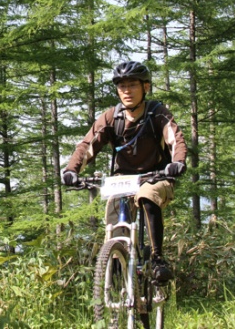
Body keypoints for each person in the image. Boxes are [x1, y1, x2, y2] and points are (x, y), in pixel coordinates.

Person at [61, 60, 186, 283]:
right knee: (113, 226)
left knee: (147, 196)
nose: (126, 91)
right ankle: (119, 266)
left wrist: (177, 162)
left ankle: (158, 260)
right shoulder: (112, 117)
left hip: (156, 176)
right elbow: (86, 145)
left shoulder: (157, 114)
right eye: (122, 86)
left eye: (132, 85)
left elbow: (175, 139)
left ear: (145, 87)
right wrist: (72, 170)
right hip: (123, 179)